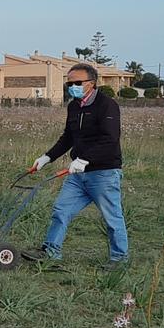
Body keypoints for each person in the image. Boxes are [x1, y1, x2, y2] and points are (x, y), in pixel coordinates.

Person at [30, 62, 128, 265]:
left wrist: (85, 160)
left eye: (77, 82)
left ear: (91, 83)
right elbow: (68, 137)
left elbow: (110, 139)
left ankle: (119, 259)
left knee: (112, 218)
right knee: (61, 210)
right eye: (69, 83)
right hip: (77, 174)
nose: (72, 86)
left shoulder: (107, 105)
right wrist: (46, 158)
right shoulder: (74, 106)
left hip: (104, 173)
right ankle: (51, 252)